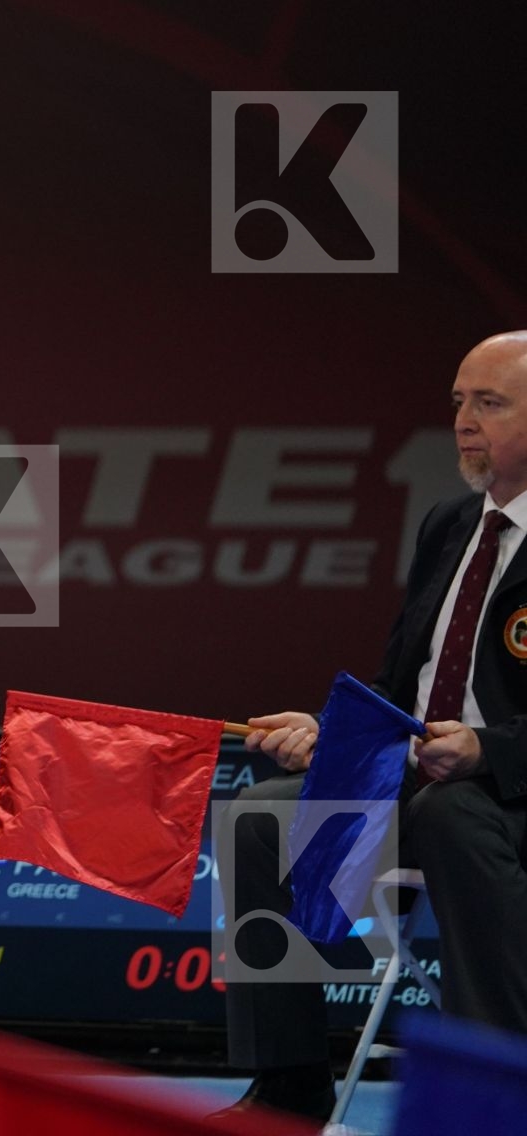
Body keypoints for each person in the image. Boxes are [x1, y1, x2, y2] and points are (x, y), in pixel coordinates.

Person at [223, 330, 527, 1121]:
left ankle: (496, 1095)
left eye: (489, 404)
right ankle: (286, 1088)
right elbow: (401, 688)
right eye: (459, 401)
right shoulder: (449, 524)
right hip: (417, 786)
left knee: (452, 808)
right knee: (257, 819)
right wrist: (334, 733)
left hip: (506, 799)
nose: (463, 420)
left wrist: (487, 748)